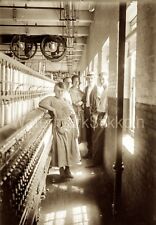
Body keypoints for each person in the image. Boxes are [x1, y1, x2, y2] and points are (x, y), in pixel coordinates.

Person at [39, 82, 80, 179]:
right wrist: (52, 109)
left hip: (69, 126)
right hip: (58, 126)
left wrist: (76, 129)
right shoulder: (51, 99)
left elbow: (73, 116)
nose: (60, 93)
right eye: (58, 91)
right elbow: (40, 103)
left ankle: (68, 170)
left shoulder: (66, 100)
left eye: (62, 91)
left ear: (64, 91)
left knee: (69, 148)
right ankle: (61, 170)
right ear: (54, 90)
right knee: (61, 149)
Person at [90, 71, 108, 166]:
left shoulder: (108, 90)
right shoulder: (103, 90)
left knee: (97, 138)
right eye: (100, 79)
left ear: (107, 79)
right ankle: (96, 160)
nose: (101, 81)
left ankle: (96, 162)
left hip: (103, 116)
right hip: (99, 114)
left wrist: (105, 118)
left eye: (103, 79)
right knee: (96, 138)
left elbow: (109, 107)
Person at [82, 71, 96, 158]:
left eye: (91, 78)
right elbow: (84, 99)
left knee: (93, 132)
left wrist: (95, 113)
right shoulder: (86, 88)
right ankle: (89, 152)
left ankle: (94, 153)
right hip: (87, 111)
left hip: (94, 113)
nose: (90, 80)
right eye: (88, 79)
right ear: (86, 79)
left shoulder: (97, 88)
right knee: (88, 132)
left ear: (94, 79)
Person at [70, 75, 84, 142]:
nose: (76, 83)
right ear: (72, 82)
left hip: (79, 112)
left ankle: (77, 142)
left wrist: (82, 102)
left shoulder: (81, 92)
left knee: (79, 127)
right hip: (72, 112)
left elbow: (84, 101)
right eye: (75, 81)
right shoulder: (69, 91)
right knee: (72, 127)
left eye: (78, 81)